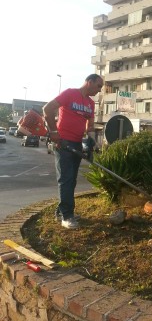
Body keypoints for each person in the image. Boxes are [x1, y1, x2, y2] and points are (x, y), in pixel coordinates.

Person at [43, 74, 103, 229]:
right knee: (66, 179)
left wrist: (89, 138)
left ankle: (61, 211)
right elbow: (47, 109)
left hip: (77, 144)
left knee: (71, 180)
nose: (99, 90)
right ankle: (67, 216)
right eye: (98, 86)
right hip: (63, 143)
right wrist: (54, 132)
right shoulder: (70, 93)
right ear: (89, 82)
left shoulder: (90, 103)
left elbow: (89, 124)